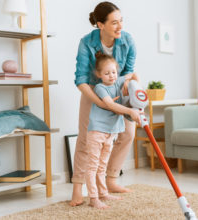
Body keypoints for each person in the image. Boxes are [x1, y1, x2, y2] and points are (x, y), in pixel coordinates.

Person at [71, 1, 139, 206]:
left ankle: (110, 180)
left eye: (121, 21)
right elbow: (81, 80)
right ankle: (77, 189)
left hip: (119, 88)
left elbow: (129, 69)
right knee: (85, 139)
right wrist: (101, 103)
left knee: (128, 133)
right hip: (93, 91)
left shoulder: (127, 40)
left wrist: (127, 85)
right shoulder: (87, 42)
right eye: (114, 23)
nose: (120, 27)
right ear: (100, 25)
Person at [85, 53, 139, 209]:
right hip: (97, 131)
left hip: (110, 132)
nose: (111, 76)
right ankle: (93, 198)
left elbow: (134, 74)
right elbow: (111, 105)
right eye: (107, 73)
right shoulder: (100, 88)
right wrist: (130, 112)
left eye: (114, 72)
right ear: (99, 74)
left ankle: (103, 193)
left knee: (102, 166)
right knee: (93, 166)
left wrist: (134, 87)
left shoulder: (117, 83)